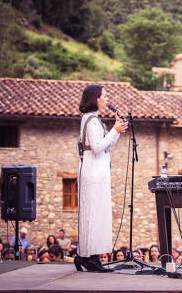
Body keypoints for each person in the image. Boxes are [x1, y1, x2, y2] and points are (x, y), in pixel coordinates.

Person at [75, 84, 128, 273]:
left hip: (98, 170)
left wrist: (117, 129)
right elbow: (97, 147)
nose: (106, 99)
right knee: (93, 214)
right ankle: (90, 257)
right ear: (96, 98)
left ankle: (85, 255)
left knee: (96, 213)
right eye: (104, 96)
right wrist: (114, 129)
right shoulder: (90, 120)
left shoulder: (94, 120)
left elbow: (107, 144)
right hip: (92, 171)